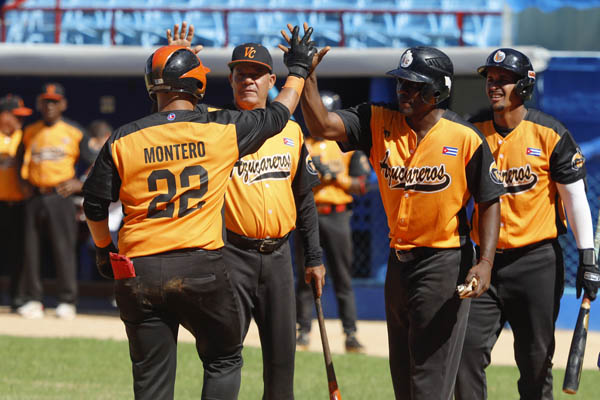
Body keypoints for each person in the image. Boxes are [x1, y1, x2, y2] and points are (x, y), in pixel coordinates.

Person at [82, 26, 318, 400]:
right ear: (200, 86)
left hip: (139, 268)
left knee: (151, 380)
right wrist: (300, 71)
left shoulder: (125, 137)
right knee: (223, 361)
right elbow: (278, 114)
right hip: (200, 266)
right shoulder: (219, 129)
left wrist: (102, 249)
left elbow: (94, 204)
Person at [287, 31, 505, 399]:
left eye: (415, 85)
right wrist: (307, 76)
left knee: (429, 378)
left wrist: (485, 262)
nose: (403, 90)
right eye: (401, 83)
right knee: (403, 376)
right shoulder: (377, 119)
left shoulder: (464, 136)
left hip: (444, 261)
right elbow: (322, 126)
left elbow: (490, 199)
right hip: (398, 262)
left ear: (438, 90)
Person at [166, 23, 325, 398]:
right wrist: (175, 68)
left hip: (279, 258)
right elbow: (168, 123)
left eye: (257, 74)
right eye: (241, 74)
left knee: (282, 362)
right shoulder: (212, 123)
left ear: (272, 80)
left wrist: (314, 257)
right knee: (224, 357)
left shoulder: (292, 131)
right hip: (231, 257)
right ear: (231, 80)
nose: (249, 81)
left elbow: (304, 198)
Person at [454, 48, 600, 400]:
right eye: (490, 79)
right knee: (465, 354)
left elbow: (574, 198)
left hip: (536, 263)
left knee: (536, 363)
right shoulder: (472, 131)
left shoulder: (549, 133)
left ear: (524, 86)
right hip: (484, 263)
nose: (494, 86)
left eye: (503, 80)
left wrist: (588, 258)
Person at [295, 90, 370, 353]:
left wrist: (333, 177)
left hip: (338, 214)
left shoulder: (346, 147)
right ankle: (303, 331)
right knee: (305, 276)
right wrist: (311, 174)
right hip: (309, 216)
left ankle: (350, 334)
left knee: (342, 277)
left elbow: (362, 185)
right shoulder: (302, 144)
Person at [16, 83, 92, 320]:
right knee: (30, 250)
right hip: (35, 194)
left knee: (63, 249)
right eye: (46, 101)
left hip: (61, 195)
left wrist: (80, 184)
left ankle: (67, 301)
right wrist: (23, 183)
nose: (50, 106)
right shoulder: (30, 131)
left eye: (54, 101)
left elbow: (98, 161)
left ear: (63, 104)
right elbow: (18, 160)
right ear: (40, 104)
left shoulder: (74, 131)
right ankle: (33, 299)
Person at [0, 94, 32, 310]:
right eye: (16, 116)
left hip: (19, 204)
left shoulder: (25, 136)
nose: (21, 120)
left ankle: (17, 297)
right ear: (4, 115)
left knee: (19, 253)